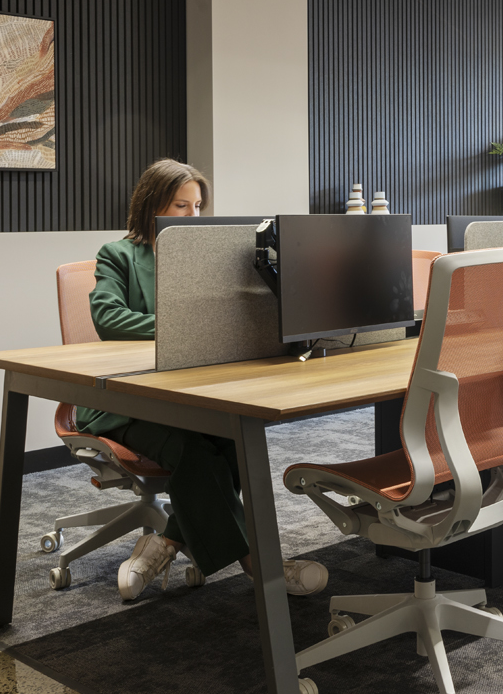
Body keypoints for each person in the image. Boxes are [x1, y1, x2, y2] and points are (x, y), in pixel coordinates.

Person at [77, 158, 329, 600]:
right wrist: (183, 324)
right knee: (196, 449)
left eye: (198, 207)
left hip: (189, 390)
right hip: (121, 399)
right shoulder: (118, 256)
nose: (193, 217)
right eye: (181, 206)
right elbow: (109, 318)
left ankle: (166, 542)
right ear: (152, 204)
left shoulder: (203, 260)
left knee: (233, 436)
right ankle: (260, 564)